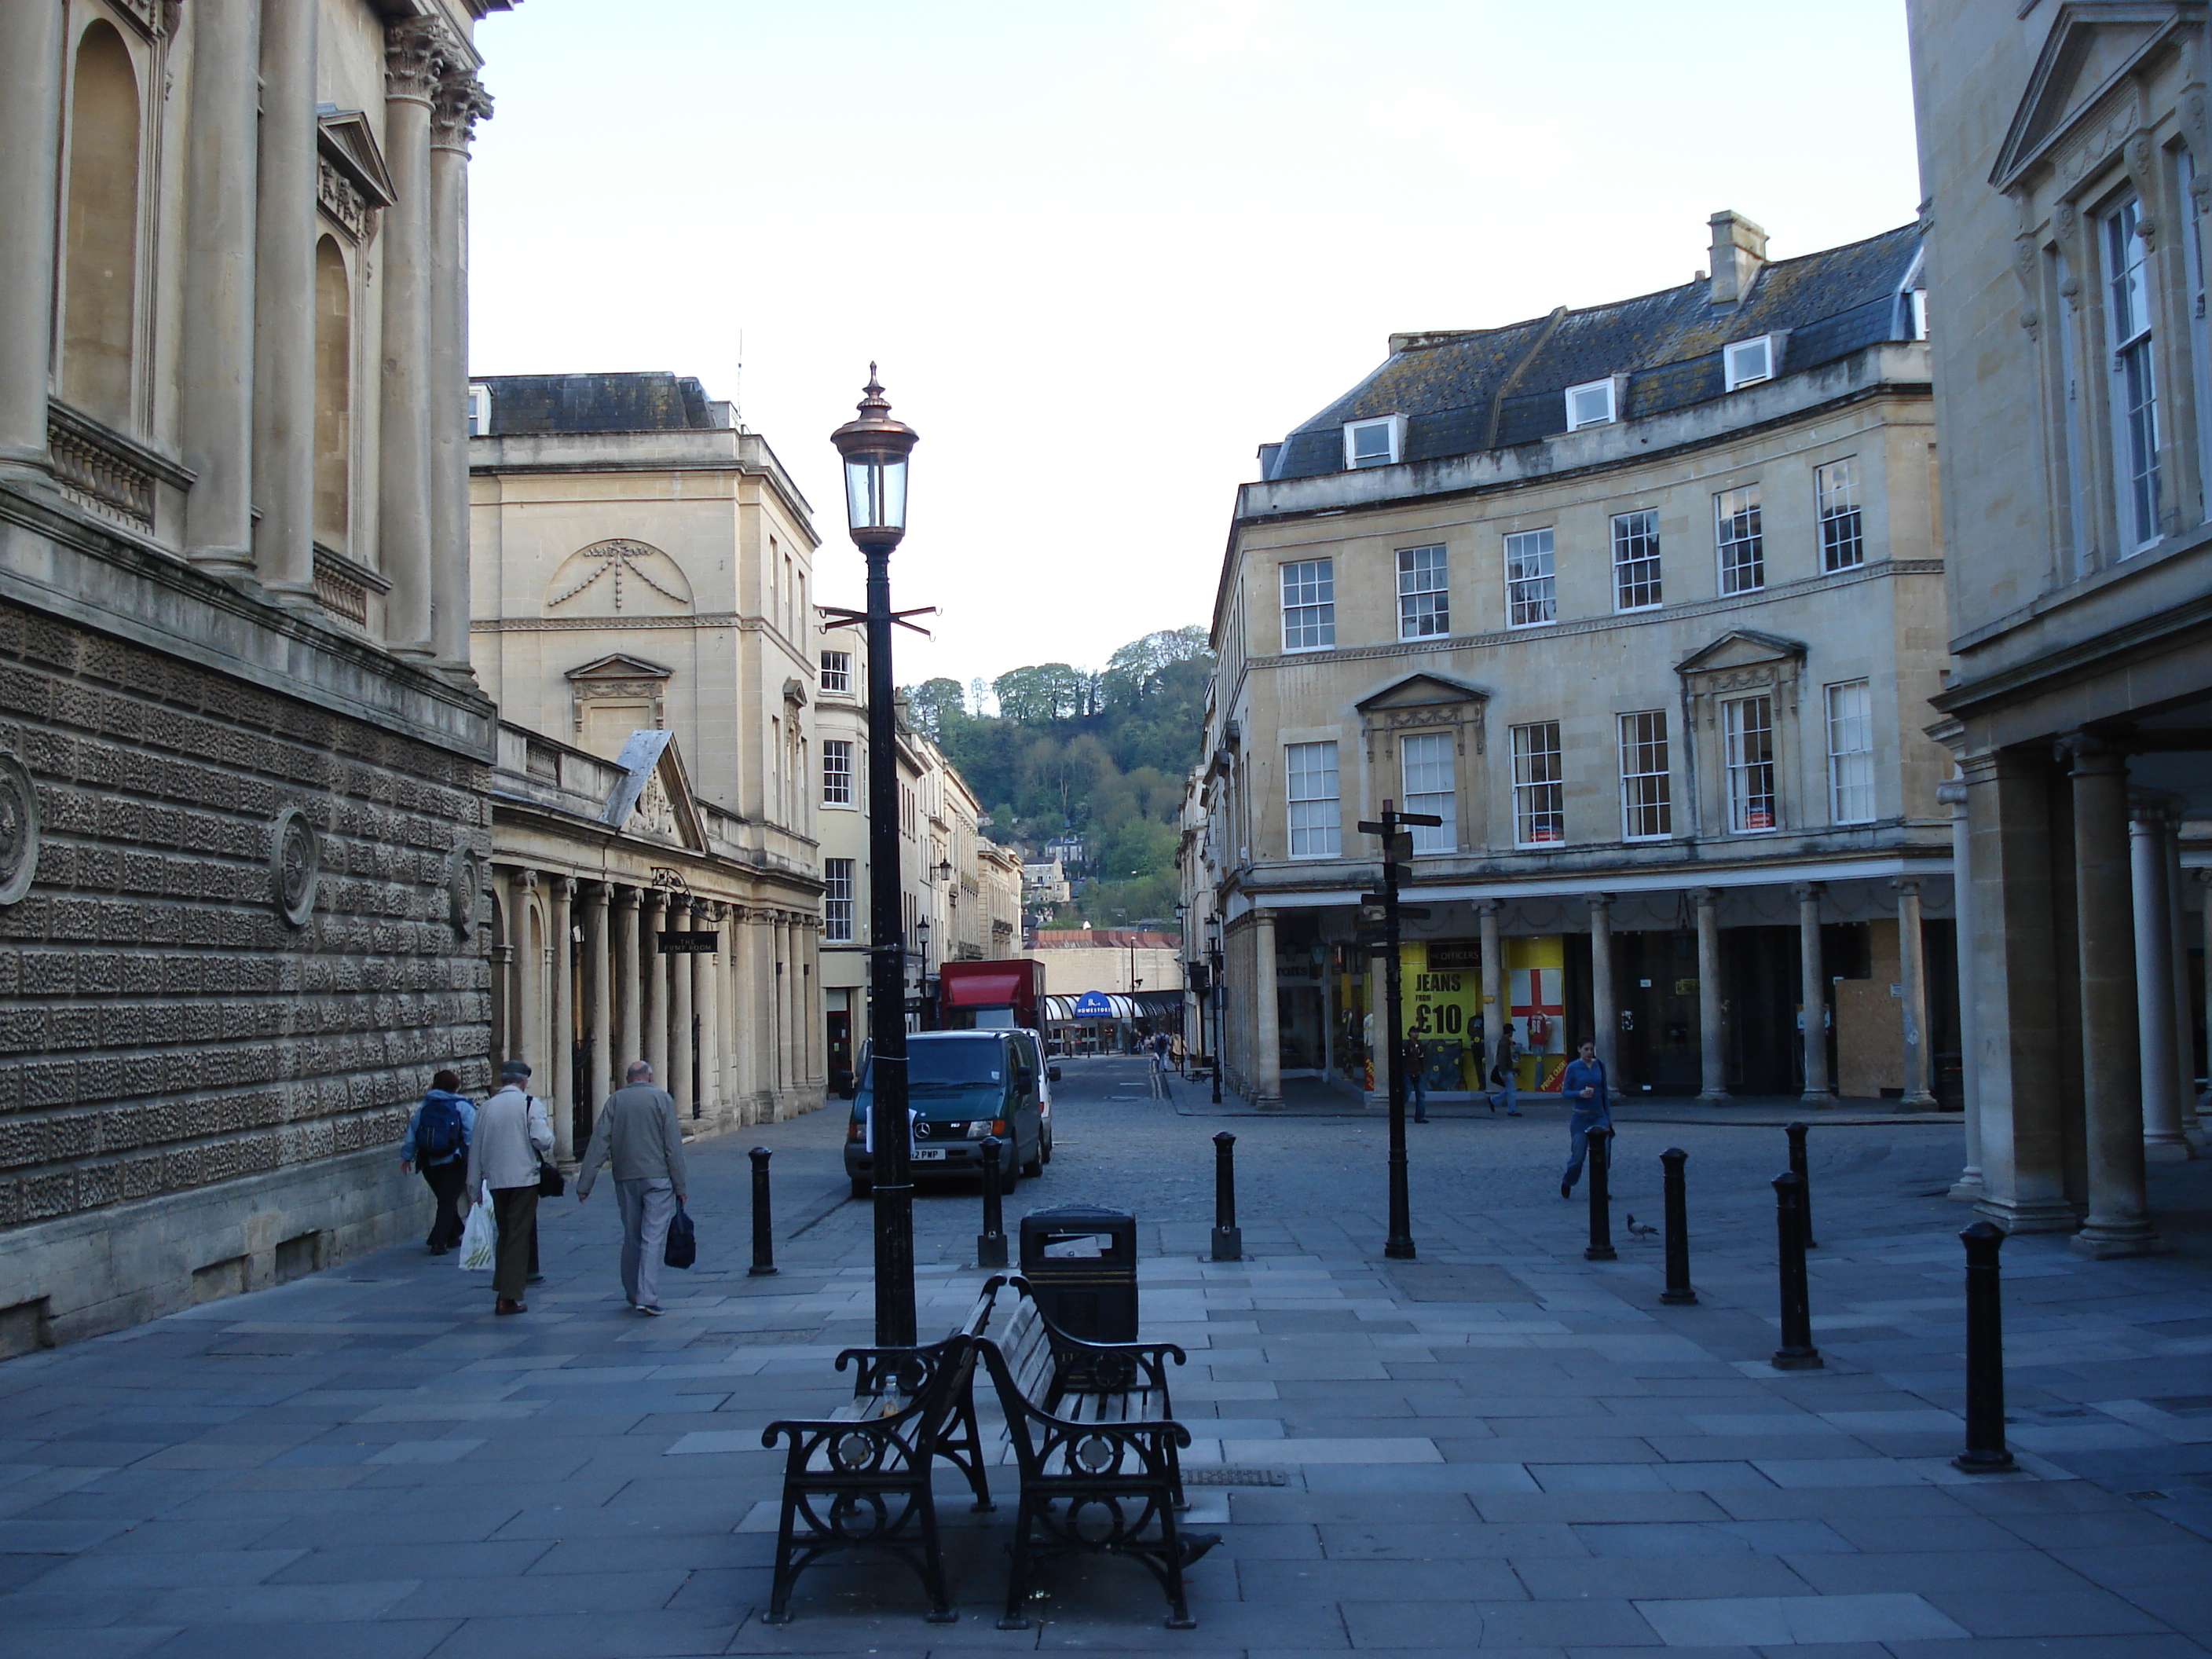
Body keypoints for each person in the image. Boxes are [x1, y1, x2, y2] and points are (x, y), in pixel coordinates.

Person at [576, 1059, 689, 1317]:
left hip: (626, 1177)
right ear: (649, 1077)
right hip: (658, 1179)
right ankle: (646, 1295)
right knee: (652, 1238)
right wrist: (680, 1185)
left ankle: (632, 1292)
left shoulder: (615, 1101)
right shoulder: (662, 1099)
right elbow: (673, 1146)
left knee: (632, 1236)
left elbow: (599, 1143)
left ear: (628, 1079)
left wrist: (585, 1184)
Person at [463, 1060, 552, 1314]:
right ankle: (509, 1296)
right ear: (523, 1081)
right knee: (518, 1237)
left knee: (504, 1233)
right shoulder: (529, 1104)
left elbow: (476, 1149)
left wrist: (473, 1188)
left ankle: (502, 1287)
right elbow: (542, 1139)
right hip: (523, 1179)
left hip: (495, 1181)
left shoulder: (486, 1108)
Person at [399, 1069, 475, 1254]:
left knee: (445, 1200)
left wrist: (407, 1158)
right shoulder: (462, 1106)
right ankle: (438, 1242)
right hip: (454, 1161)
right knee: (448, 1201)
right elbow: (473, 1135)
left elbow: (412, 1134)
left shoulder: (425, 1107)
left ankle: (454, 1233)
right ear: (455, 1086)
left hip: (429, 1163)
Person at [1558, 1038, 1613, 1199]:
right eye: (1587, 1049)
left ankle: (1601, 1188)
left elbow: (1604, 1095)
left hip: (1599, 1115)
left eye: (1592, 1049)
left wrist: (1608, 1118)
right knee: (1578, 1157)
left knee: (1604, 1154)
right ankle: (1568, 1181)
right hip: (1580, 1117)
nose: (1590, 1052)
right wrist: (1579, 1093)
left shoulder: (1600, 1066)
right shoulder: (1573, 1068)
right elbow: (1565, 1092)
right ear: (1579, 1050)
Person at [1489, 1023, 1524, 1116]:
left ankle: (1493, 1100)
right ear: (1510, 1031)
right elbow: (1502, 1058)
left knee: (1510, 1089)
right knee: (1512, 1090)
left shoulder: (1505, 1042)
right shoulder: (1505, 1043)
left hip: (1505, 1069)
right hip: (1505, 1070)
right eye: (1512, 1031)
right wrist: (1504, 1072)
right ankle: (1512, 1110)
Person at [1398, 1035, 1427, 1123]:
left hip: (1418, 1071)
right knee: (1406, 1094)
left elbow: (1421, 1058)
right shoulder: (1406, 1045)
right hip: (1408, 1072)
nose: (1416, 1034)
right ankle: (1397, 1113)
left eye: (1417, 1032)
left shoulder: (1419, 1044)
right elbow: (1403, 1059)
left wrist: (1421, 1070)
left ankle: (1420, 1117)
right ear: (1410, 1034)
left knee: (1421, 1095)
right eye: (1414, 1032)